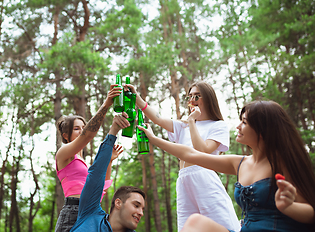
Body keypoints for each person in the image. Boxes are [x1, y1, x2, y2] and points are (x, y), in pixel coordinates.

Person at [138, 100, 315, 232]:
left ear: (263, 130)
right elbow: (190, 154)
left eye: (244, 122)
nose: (238, 126)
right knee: (194, 223)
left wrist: (288, 206)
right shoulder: (240, 163)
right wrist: (153, 139)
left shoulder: (283, 162)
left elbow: (310, 213)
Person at [125, 81, 240, 231]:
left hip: (204, 177)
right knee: (186, 228)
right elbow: (158, 119)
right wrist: (136, 98)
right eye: (189, 96)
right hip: (183, 179)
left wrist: (192, 121)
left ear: (208, 99)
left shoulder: (218, 125)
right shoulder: (183, 125)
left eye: (197, 96)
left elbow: (202, 151)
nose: (192, 100)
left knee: (221, 224)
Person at [55, 84, 126, 232]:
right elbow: (87, 135)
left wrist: (109, 161)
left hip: (91, 212)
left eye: (83, 126)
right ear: (65, 136)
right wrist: (107, 103)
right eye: (76, 128)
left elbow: (102, 186)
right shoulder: (63, 154)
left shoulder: (84, 165)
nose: (82, 130)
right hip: (73, 212)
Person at [70, 113, 146, 232]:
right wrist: (114, 130)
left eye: (142, 209)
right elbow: (97, 173)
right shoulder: (90, 213)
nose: (141, 213)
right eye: (136, 205)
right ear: (118, 203)